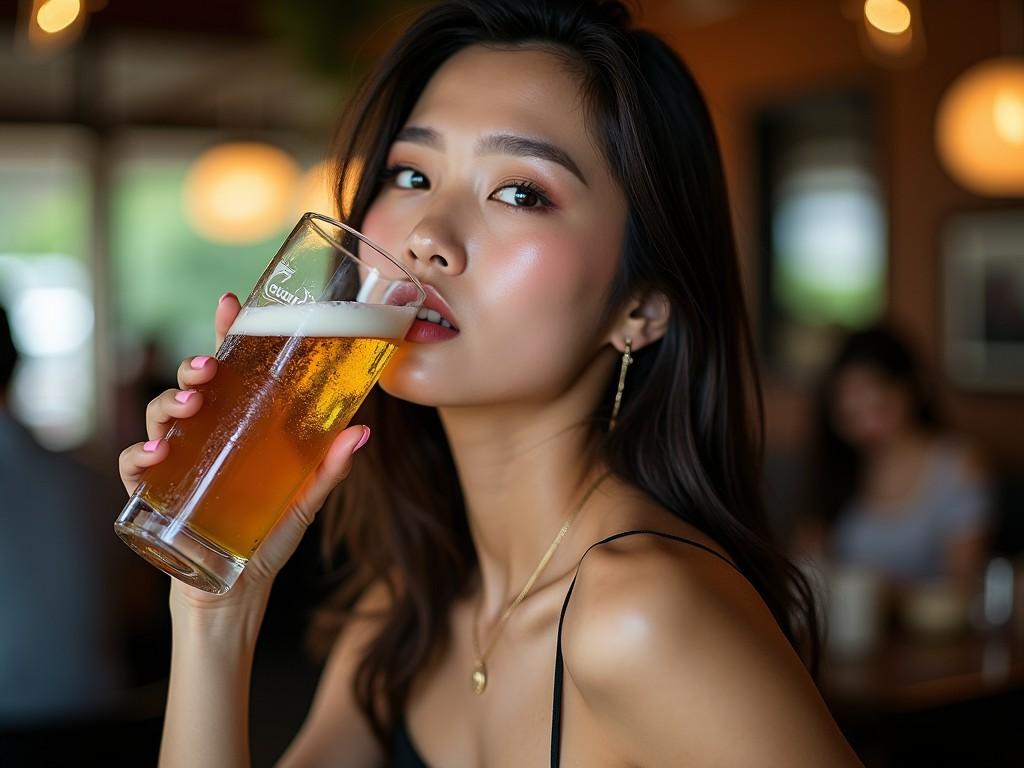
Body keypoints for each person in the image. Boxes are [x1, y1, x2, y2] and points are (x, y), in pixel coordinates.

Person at [119, 2, 862, 765]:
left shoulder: (643, 612)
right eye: (411, 174)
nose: (427, 238)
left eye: (521, 193)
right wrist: (216, 607)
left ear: (641, 308)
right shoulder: (407, 609)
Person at [803, 325, 992, 588]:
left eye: (880, 407)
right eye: (850, 415)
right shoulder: (839, 465)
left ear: (916, 389)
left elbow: (963, 579)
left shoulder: (957, 464)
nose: (865, 426)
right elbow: (808, 560)